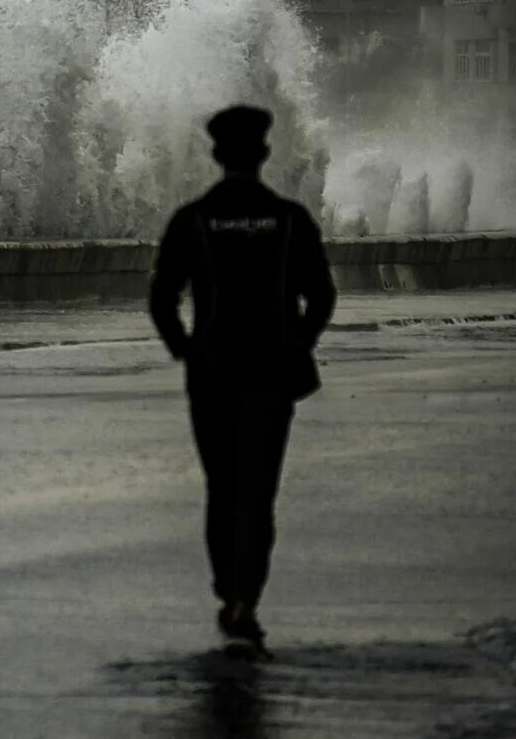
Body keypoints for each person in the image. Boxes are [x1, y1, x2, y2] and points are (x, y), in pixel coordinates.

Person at [148, 104, 336, 660]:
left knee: (222, 486)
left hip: (212, 374)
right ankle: (246, 601)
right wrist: (299, 342)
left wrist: (184, 348)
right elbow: (321, 295)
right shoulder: (290, 219)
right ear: (264, 155)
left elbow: (162, 298)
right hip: (271, 374)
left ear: (216, 156)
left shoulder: (193, 220)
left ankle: (227, 587)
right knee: (258, 489)